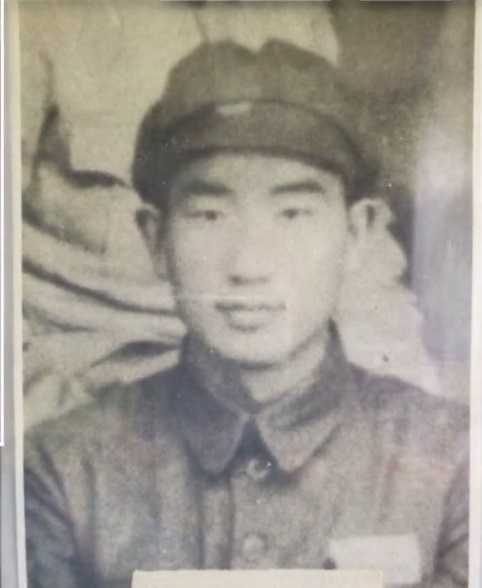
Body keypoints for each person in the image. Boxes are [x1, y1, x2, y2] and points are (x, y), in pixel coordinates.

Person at [25, 40, 469, 588]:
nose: (249, 265)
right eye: (210, 214)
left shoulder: (455, 463)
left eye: (293, 214)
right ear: (156, 239)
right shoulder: (60, 473)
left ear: (357, 234)